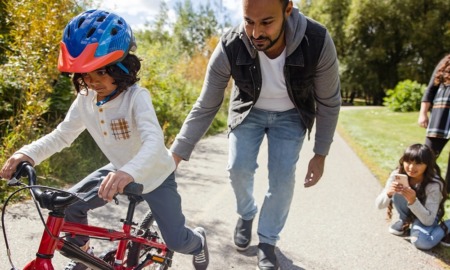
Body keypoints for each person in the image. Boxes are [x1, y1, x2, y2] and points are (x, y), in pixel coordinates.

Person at [0, 10, 209, 270]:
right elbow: (63, 134)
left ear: (120, 68)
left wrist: (129, 172)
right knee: (70, 206)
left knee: (177, 241)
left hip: (155, 174)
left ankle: (198, 242)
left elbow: (154, 144)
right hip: (117, 169)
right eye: (85, 75)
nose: (91, 82)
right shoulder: (86, 98)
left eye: (100, 73)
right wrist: (27, 153)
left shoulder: (136, 97)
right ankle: (84, 256)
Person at [170, 0, 341, 269]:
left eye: (266, 22)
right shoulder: (232, 43)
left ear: (288, 10)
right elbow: (206, 104)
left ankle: (268, 242)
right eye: (249, 21)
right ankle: (247, 212)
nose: (256, 33)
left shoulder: (316, 40)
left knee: (282, 179)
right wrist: (176, 154)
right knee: (238, 169)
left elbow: (329, 101)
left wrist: (321, 153)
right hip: (248, 111)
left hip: (292, 115)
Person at [375, 144, 450, 250]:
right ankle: (405, 220)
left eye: (418, 163)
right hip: (411, 212)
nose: (411, 167)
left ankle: (447, 226)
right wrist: (389, 193)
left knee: (422, 242)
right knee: (399, 190)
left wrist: (413, 200)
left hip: (427, 216)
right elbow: (379, 205)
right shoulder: (397, 174)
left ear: (427, 164)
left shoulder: (434, 184)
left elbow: (428, 220)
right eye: (408, 162)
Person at [418, 54, 450, 194]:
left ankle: (446, 192)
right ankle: (420, 187)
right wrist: (423, 113)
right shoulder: (446, 61)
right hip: (441, 115)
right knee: (426, 156)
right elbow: (431, 89)